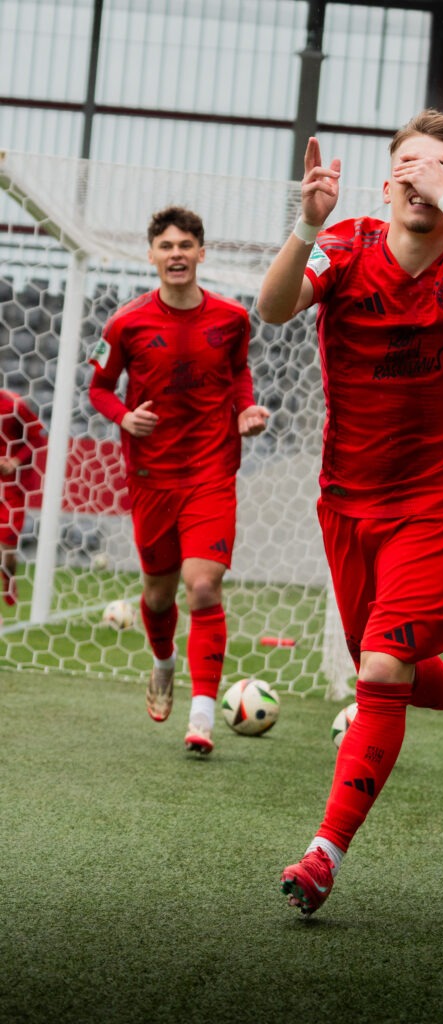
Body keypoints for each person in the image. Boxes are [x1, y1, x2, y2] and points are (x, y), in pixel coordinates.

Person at [257, 108, 443, 915]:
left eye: (439, 168)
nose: (420, 175)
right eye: (408, 164)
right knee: (394, 672)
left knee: (378, 670)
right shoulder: (347, 248)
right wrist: (305, 227)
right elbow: (272, 310)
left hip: (437, 499)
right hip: (348, 497)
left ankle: (322, 855)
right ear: (384, 183)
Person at [89, 206, 269, 755]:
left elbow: (239, 372)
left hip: (212, 470)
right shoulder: (125, 323)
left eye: (185, 245)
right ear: (151, 255)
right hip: (151, 478)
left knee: (203, 586)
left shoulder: (233, 318)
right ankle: (164, 663)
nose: (176, 255)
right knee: (159, 594)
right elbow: (98, 389)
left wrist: (245, 410)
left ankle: (203, 716)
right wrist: (124, 417)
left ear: (201, 254)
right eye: (166, 246)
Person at [0, 388, 47, 606]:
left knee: (7, 549)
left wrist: (14, 462)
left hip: (12, 488)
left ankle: (9, 580)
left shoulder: (14, 404)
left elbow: (37, 438)